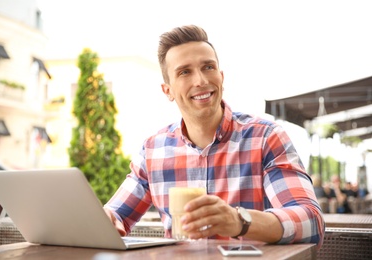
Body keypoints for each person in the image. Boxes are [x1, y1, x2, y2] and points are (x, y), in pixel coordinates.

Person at [103, 25, 325, 248]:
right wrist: (107, 222)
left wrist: (239, 221)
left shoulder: (265, 137)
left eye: (208, 67)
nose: (200, 80)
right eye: (184, 72)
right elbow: (114, 216)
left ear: (221, 76)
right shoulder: (153, 151)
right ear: (167, 90)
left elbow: (311, 221)